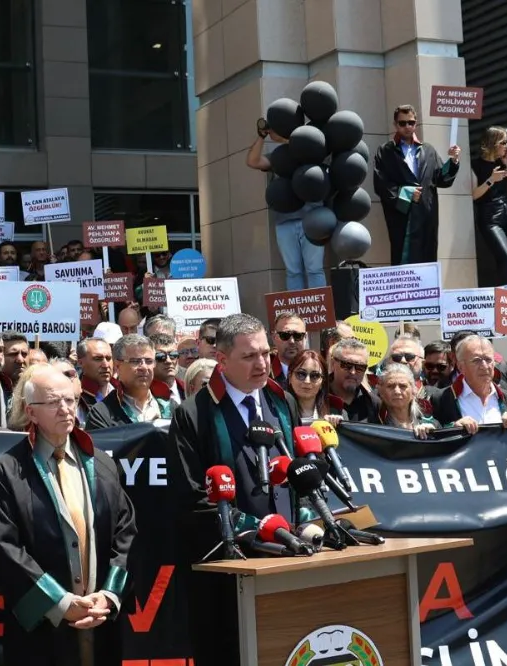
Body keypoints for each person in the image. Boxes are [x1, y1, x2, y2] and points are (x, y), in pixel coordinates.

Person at [167, 314, 301, 666]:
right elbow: (192, 498)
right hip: (226, 573)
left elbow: (298, 475)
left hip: (288, 565)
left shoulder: (281, 403)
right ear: (222, 361)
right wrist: (257, 530)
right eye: (249, 356)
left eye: (265, 353)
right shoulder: (193, 415)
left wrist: (305, 524)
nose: (262, 364)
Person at [0, 367, 136, 665]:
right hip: (43, 629)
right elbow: (6, 547)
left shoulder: (101, 463)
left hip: (100, 620)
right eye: (54, 402)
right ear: (31, 412)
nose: (66, 410)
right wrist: (61, 603)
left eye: (71, 400)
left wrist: (107, 596)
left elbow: (126, 533)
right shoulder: (9, 470)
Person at [373, 104, 462, 265]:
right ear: (395, 125)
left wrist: (454, 161)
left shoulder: (428, 150)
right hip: (402, 216)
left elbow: (441, 178)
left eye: (411, 122)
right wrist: (407, 194)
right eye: (402, 123)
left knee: (427, 258)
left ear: (416, 123)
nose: (407, 127)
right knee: (404, 260)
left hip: (426, 213)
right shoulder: (385, 151)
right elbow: (381, 184)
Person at [246, 124, 326, 290]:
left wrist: (282, 137)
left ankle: (321, 313)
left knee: (314, 269)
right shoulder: (280, 157)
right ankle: (295, 312)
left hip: (313, 219)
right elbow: (253, 161)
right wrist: (262, 136)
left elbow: (309, 146)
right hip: (285, 220)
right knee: (293, 271)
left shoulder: (311, 152)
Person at [430, 335, 507, 433]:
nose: (484, 366)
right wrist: (454, 427)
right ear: (461, 367)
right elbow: (434, 437)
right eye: (476, 360)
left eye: (488, 359)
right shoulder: (441, 399)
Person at [86, 335, 172, 429]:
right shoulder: (102, 414)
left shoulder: (169, 405)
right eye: (135, 361)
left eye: (149, 361)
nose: (144, 367)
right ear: (117, 366)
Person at [471, 126, 507, 284]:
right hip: (490, 218)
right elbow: (473, 195)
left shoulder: (503, 163)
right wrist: (491, 180)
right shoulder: (476, 165)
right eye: (503, 142)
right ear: (492, 143)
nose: (506, 146)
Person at [370, 363, 439, 438]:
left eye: (403, 386)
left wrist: (434, 434)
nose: (397, 391)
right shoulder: (374, 426)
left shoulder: (430, 423)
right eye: (390, 386)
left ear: (413, 391)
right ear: (381, 391)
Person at [324, 338, 379, 422]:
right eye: (346, 365)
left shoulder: (373, 404)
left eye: (360, 367)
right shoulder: (317, 397)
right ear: (333, 364)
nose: (353, 372)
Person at [287, 350, 336, 423]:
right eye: (301, 374)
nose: (307, 381)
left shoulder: (336, 411)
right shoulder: (278, 410)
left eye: (315, 376)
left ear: (323, 382)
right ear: (290, 377)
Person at [76, 338, 115, 423]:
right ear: (80, 363)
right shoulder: (75, 396)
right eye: (98, 359)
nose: (106, 365)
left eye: (108, 358)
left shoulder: (123, 391)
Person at [269, 313, 307, 388]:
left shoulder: (318, 371)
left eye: (298, 335)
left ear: (305, 337)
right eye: (285, 335)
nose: (292, 341)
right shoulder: (264, 375)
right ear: (274, 338)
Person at [149, 333, 184, 405]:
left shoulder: (189, 389)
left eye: (173, 355)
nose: (168, 361)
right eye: (160, 356)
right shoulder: (142, 394)